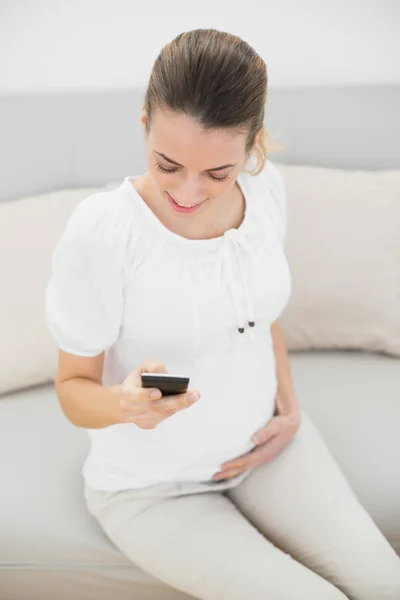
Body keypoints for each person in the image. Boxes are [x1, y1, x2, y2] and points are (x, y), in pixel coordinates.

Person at [45, 28, 400, 600]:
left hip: (268, 449)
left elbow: (260, 311)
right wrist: (125, 403)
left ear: (251, 146)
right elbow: (71, 388)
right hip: (152, 492)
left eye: (218, 173)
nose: (188, 192)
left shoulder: (265, 190)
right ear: (143, 123)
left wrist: (288, 401)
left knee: (387, 585)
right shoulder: (104, 232)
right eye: (167, 164)